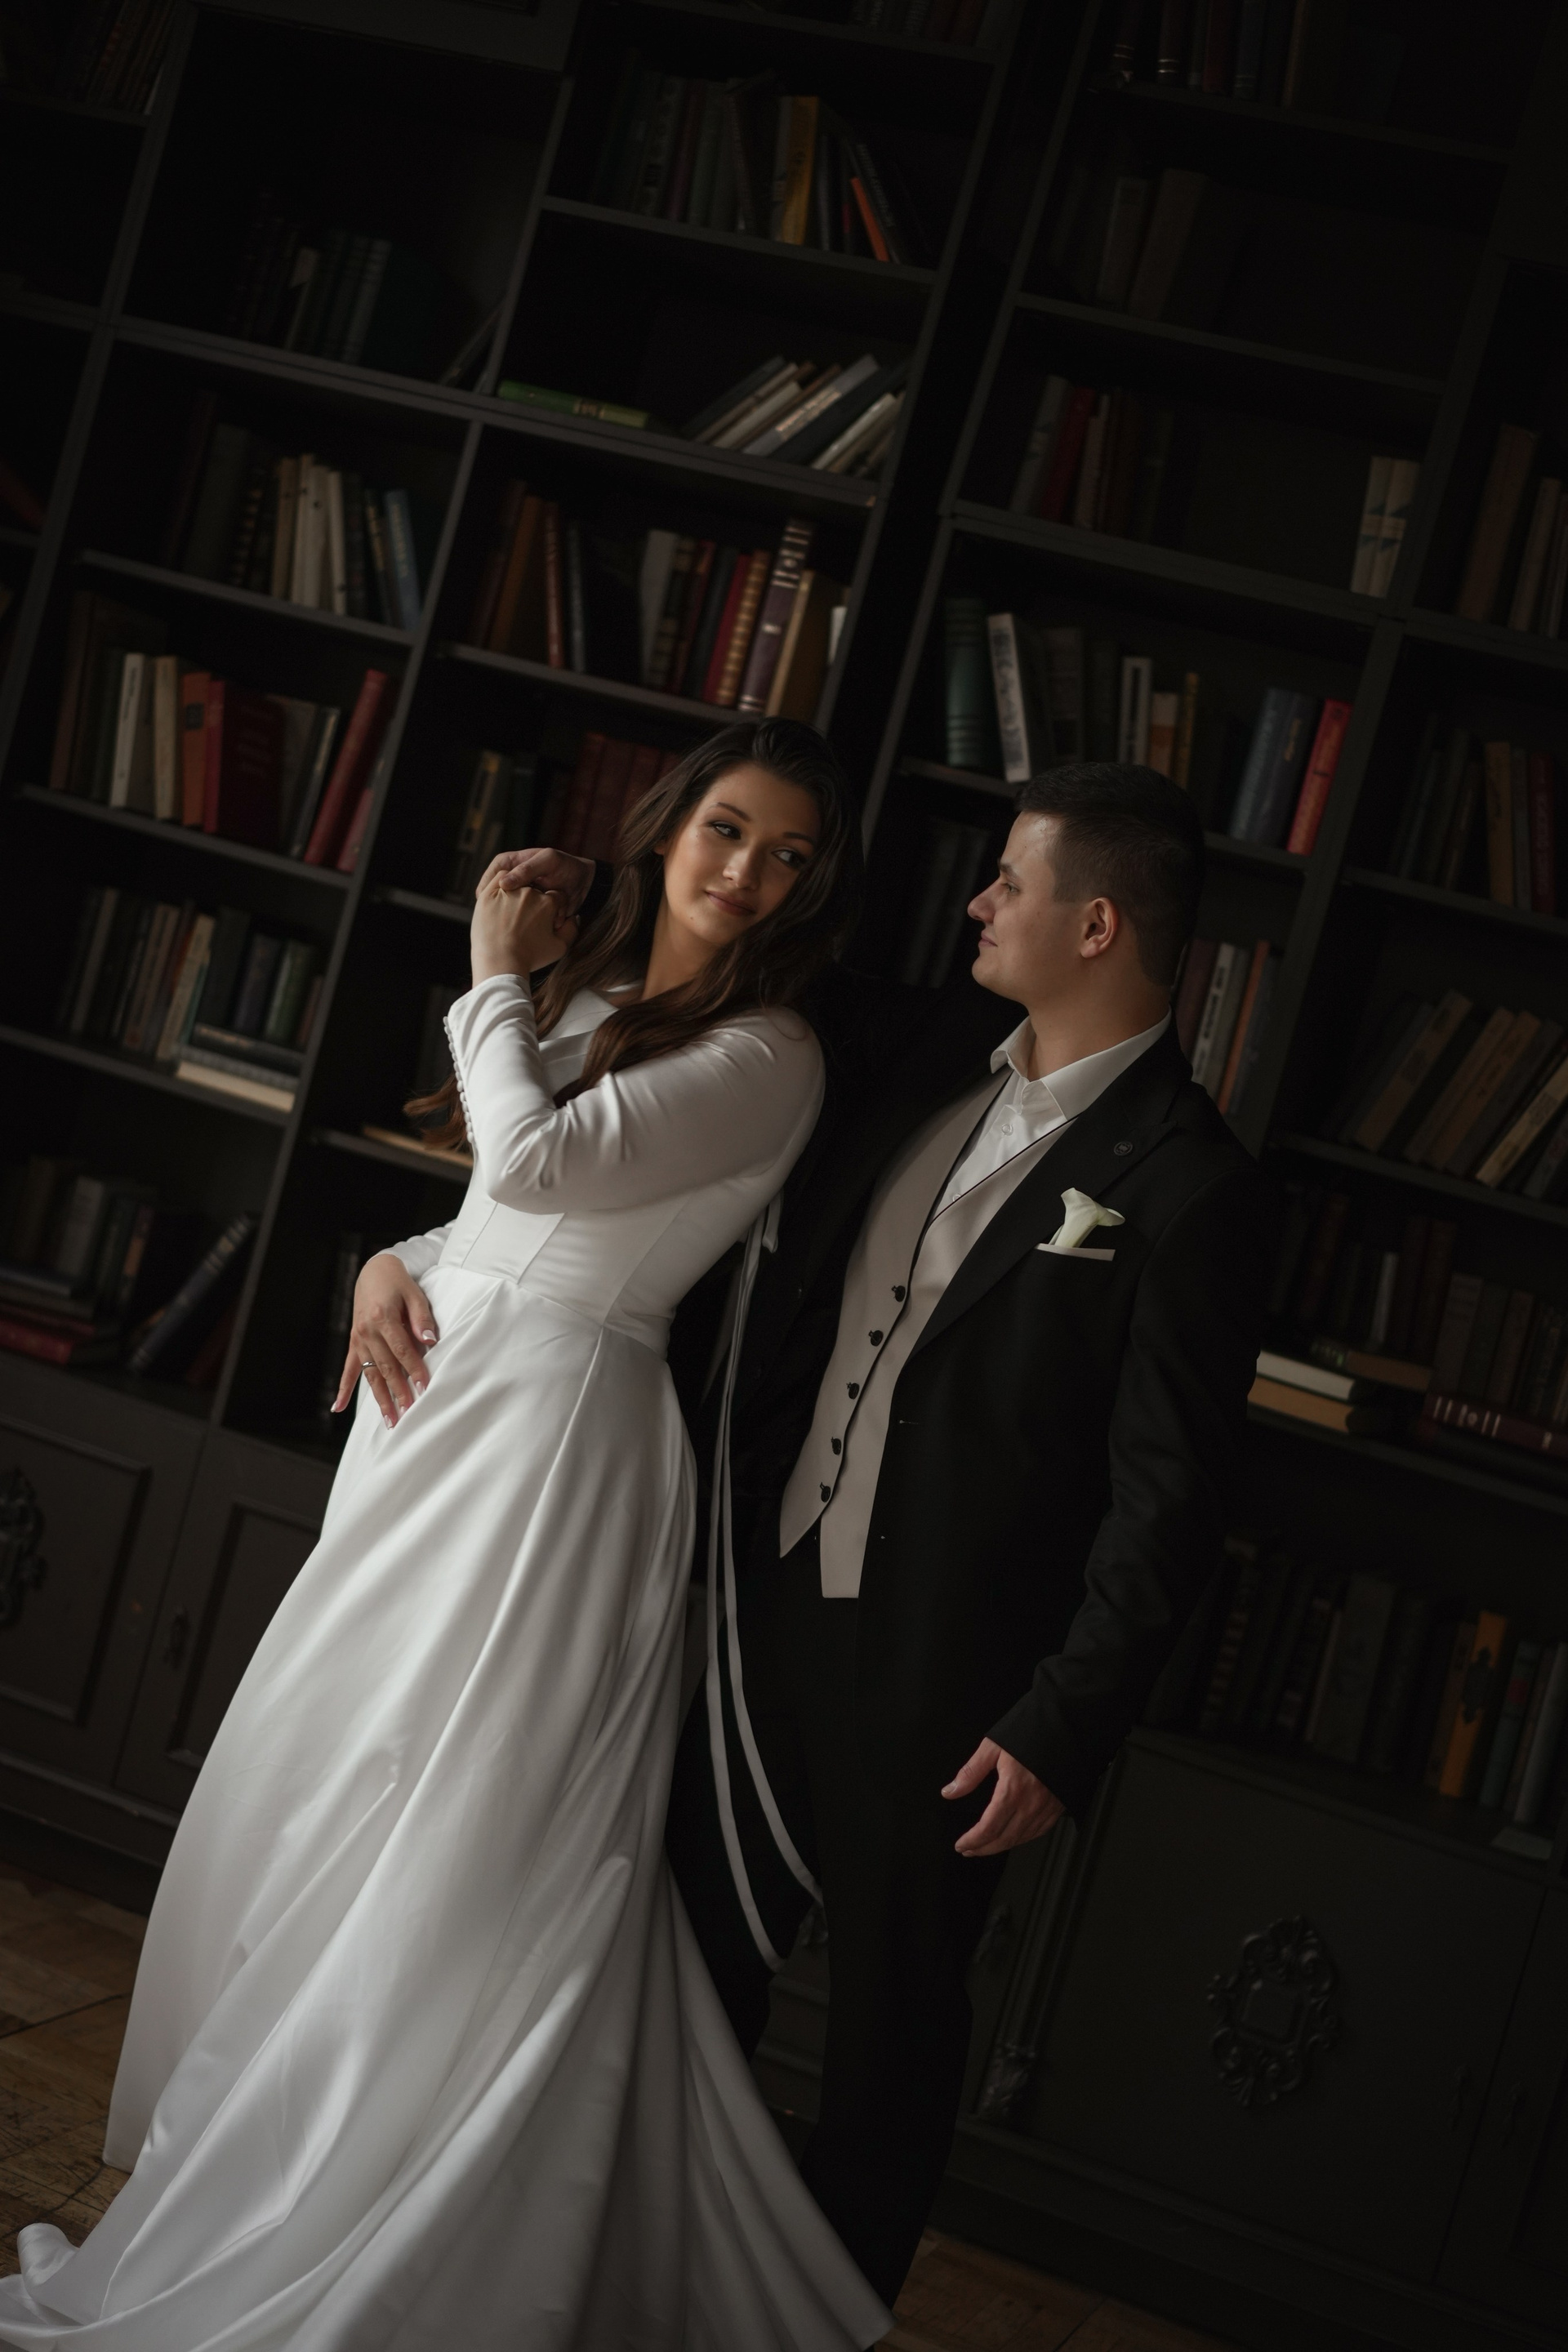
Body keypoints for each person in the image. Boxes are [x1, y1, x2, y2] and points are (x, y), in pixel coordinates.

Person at [0, 719, 891, 2352]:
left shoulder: (770, 1051)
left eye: (788, 856)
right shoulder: (599, 999)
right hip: (444, 1416)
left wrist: (489, 973)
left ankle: (379, 2193)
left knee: (445, 1816)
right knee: (334, 1782)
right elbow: (492, 1221)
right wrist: (383, 1263)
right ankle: (254, 2161)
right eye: (727, 830)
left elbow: (537, 1168)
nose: (748, 873)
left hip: (552, 1447)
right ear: (669, 826)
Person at [513, 761, 1275, 2315]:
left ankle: (818, 2323)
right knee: (680, 1972)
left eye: (1012, 883)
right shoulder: (919, 1056)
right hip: (755, 1615)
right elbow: (692, 1004)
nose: (979, 902)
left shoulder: (1194, 1188)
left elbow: (1172, 1501)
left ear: (1098, 925)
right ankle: (619, 2291)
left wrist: (1062, 1724)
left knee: (890, 2044)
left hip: (955, 1698)